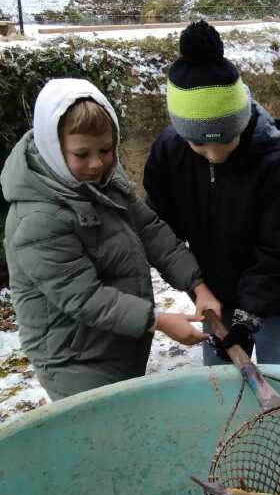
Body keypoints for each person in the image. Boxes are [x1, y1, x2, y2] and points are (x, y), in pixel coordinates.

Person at [0, 78, 221, 402]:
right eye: (82, 153)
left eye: (105, 150)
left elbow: (150, 230)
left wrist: (197, 284)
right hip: (73, 360)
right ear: (53, 148)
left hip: (118, 340)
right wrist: (158, 320)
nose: (96, 163)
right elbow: (84, 297)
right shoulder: (37, 219)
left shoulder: (104, 179)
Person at [143, 20, 280, 366]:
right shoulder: (170, 154)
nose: (213, 154)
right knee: (222, 387)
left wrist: (249, 317)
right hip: (216, 302)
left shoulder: (277, 166)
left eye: (225, 140)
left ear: (241, 121)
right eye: (198, 144)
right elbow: (159, 231)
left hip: (276, 301)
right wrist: (197, 288)